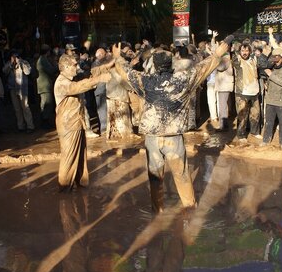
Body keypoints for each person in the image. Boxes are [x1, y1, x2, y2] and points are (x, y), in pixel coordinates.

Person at [112, 40, 229, 213]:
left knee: (155, 177)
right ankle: (189, 209)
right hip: (174, 138)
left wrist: (117, 57)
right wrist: (217, 54)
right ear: (171, 64)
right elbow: (202, 68)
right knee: (181, 175)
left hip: (152, 138)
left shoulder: (145, 81)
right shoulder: (182, 80)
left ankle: (157, 210)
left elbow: (125, 72)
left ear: (155, 66)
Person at [54, 54, 111, 192]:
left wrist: (107, 66)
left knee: (80, 157)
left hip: (77, 123)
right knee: (69, 159)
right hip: (68, 126)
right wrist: (99, 79)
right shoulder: (62, 82)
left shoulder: (73, 77)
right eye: (74, 65)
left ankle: (80, 184)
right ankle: (64, 190)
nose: (77, 67)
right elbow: (79, 87)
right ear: (66, 67)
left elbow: (89, 74)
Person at [260, 48, 282, 150]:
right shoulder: (274, 66)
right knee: (268, 122)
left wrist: (271, 74)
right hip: (271, 99)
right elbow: (271, 80)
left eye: (276, 58)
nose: (274, 61)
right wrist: (267, 83)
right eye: (273, 58)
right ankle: (266, 140)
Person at [232, 43, 262, 142]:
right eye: (242, 51)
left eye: (246, 51)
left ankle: (255, 132)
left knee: (256, 113)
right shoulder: (237, 61)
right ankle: (241, 135)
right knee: (242, 115)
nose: (244, 53)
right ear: (239, 52)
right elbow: (233, 55)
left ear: (250, 51)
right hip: (242, 92)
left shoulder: (254, 60)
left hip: (254, 91)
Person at [3, 50, 35, 133]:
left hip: (22, 88)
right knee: (17, 108)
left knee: (25, 107)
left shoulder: (24, 62)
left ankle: (30, 126)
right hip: (13, 88)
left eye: (16, 56)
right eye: (13, 56)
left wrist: (21, 63)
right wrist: (11, 64)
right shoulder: (8, 64)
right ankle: (20, 126)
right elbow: (4, 71)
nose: (14, 58)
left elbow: (28, 72)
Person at [37, 44, 58, 129]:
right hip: (45, 85)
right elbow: (51, 70)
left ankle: (45, 121)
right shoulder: (43, 60)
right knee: (47, 104)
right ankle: (45, 122)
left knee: (45, 104)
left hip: (44, 85)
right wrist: (57, 64)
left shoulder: (42, 59)